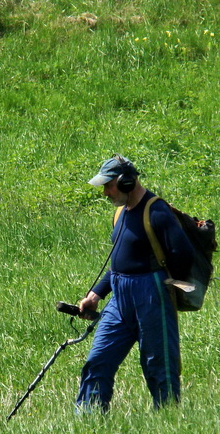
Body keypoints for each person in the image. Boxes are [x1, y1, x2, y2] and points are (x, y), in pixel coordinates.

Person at [76, 155, 197, 412]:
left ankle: (167, 419)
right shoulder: (120, 213)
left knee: (158, 364)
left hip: (152, 295)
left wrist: (161, 286)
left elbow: (185, 255)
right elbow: (120, 264)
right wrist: (96, 295)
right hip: (120, 298)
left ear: (126, 182)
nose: (105, 192)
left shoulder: (157, 211)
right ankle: (88, 421)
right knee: (98, 359)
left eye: (109, 185)